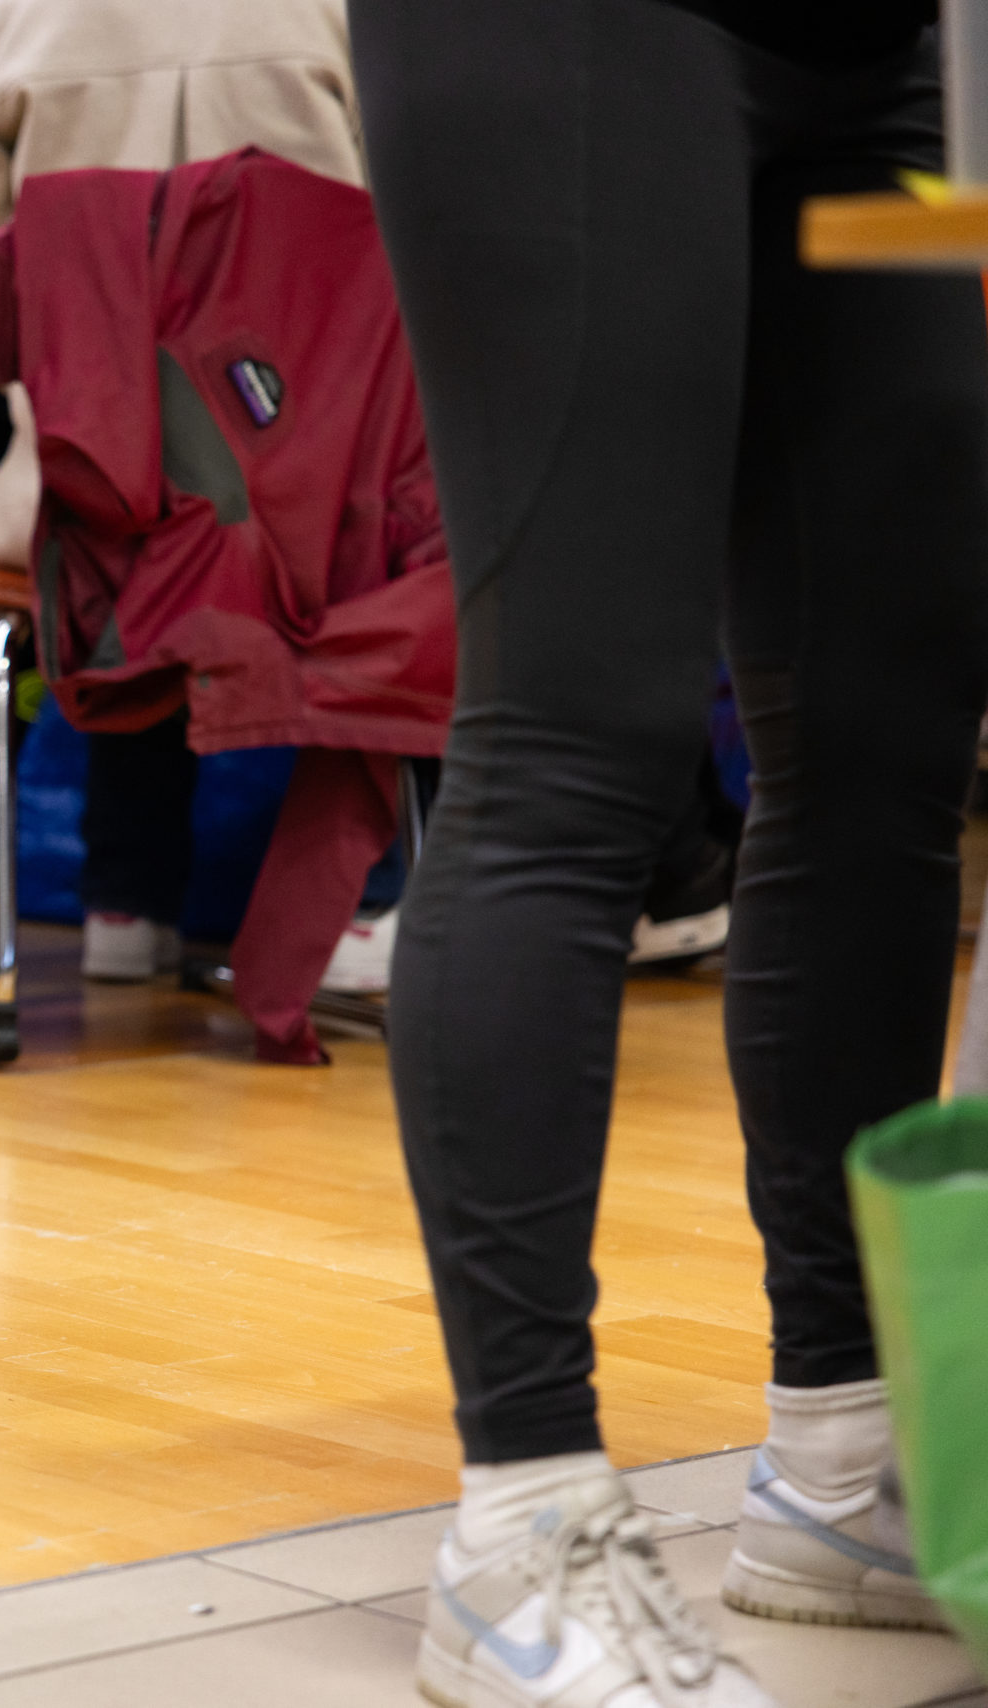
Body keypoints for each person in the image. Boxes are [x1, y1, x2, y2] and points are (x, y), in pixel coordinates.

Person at [352, 3, 980, 1702]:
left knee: (889, 736)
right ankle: (526, 1523)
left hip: (883, 56)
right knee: (578, 732)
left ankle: (851, 1463)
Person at [0, 0, 364, 983]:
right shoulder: (333, 11)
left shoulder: (26, 15)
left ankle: (124, 901)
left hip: (91, 470)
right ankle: (369, 899)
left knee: (129, 544)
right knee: (389, 552)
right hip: (307, 473)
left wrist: (47, 390)